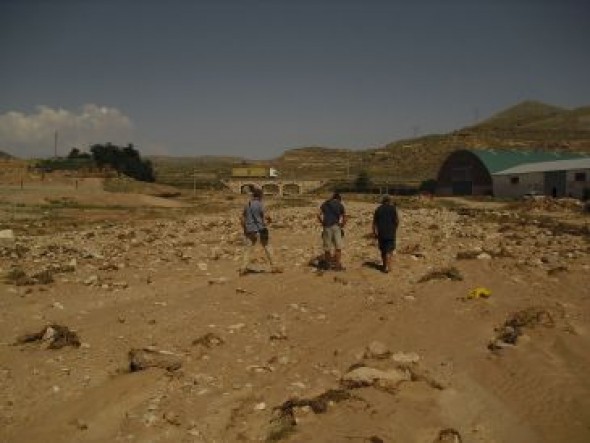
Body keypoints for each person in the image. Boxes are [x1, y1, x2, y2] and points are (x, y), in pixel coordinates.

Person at [239, 188, 281, 275]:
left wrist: (245, 228)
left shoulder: (247, 205)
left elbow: (242, 218)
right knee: (267, 247)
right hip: (260, 229)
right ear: (260, 195)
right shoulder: (260, 204)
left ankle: (243, 268)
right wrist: (270, 220)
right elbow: (266, 216)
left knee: (248, 249)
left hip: (250, 230)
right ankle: (274, 266)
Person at [317, 192, 347, 271]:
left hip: (326, 227)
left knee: (327, 248)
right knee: (338, 247)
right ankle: (337, 266)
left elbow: (318, 214)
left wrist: (322, 222)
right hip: (336, 227)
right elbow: (344, 216)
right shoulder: (340, 205)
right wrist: (342, 225)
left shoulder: (325, 204)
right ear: (339, 199)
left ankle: (327, 266)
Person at [372, 194, 399, 273]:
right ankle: (388, 266)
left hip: (381, 232)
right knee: (389, 250)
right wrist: (394, 229)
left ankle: (384, 265)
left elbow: (374, 223)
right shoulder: (393, 209)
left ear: (383, 201)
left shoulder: (378, 209)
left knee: (383, 250)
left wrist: (374, 232)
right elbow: (396, 221)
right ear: (389, 201)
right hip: (390, 232)